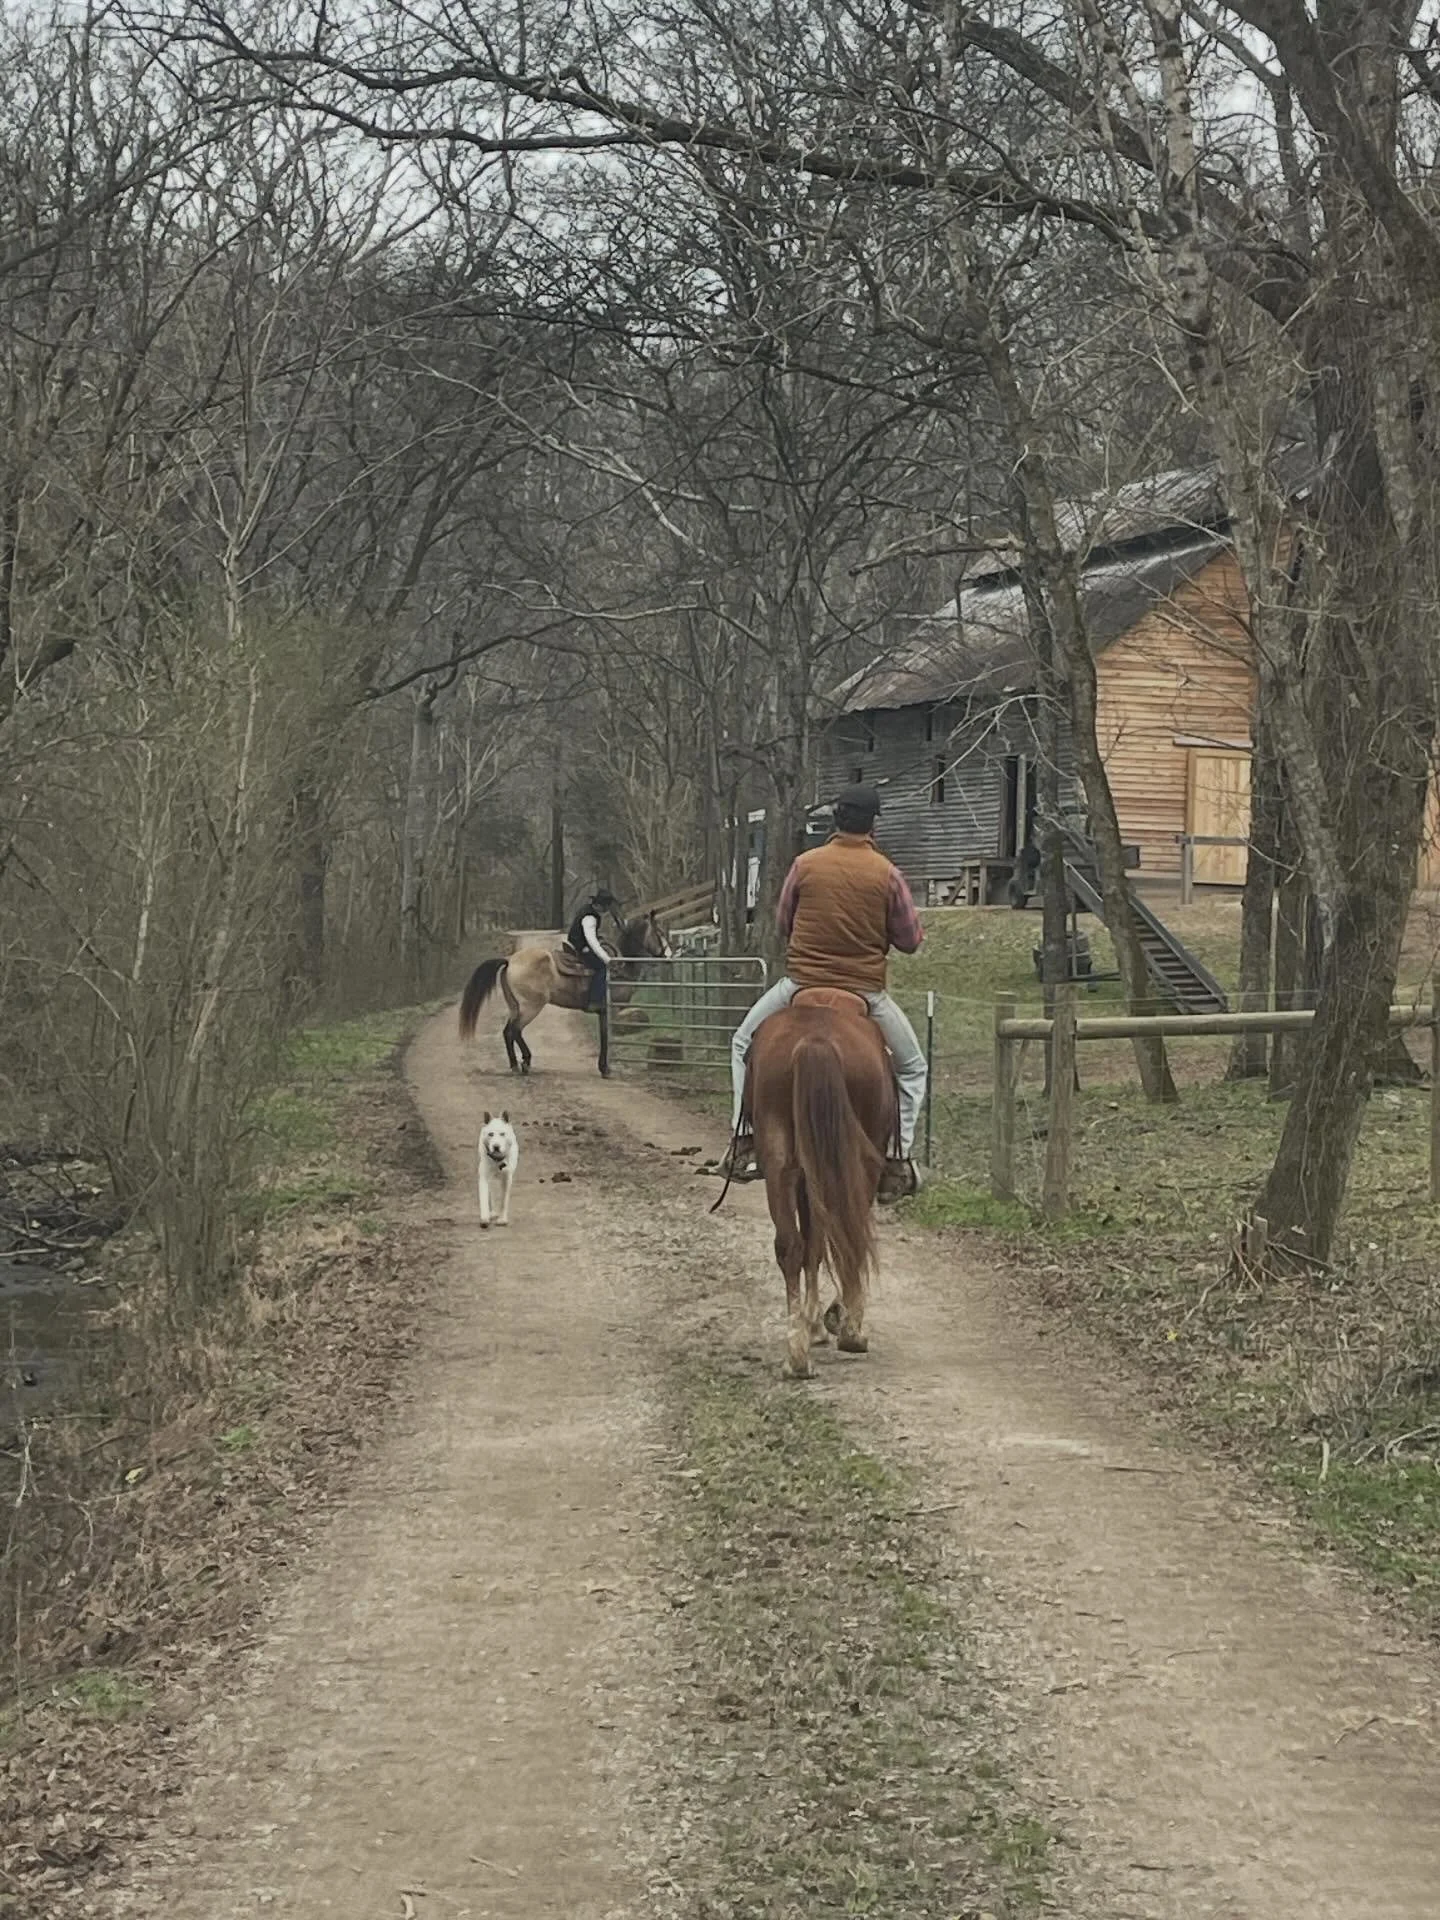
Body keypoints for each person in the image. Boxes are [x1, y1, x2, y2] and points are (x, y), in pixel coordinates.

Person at [725, 784, 927, 1203]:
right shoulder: (888, 874)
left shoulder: (804, 865)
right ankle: (897, 1157)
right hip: (864, 990)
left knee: (743, 1041)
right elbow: (910, 940)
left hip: (802, 982)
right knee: (912, 1068)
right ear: (873, 824)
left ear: (836, 819)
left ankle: (744, 1139)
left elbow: (784, 922)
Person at [566, 889, 619, 1009]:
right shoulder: (590, 917)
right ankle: (595, 1001)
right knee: (602, 968)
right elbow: (592, 940)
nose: (606, 910)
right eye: (606, 907)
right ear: (600, 905)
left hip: (578, 942)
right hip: (581, 946)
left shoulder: (587, 910)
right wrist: (607, 959)